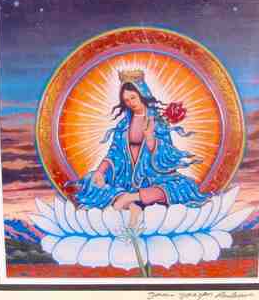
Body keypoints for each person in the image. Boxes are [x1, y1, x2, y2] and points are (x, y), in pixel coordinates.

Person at [67, 69, 210, 229]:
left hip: (151, 177)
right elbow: (114, 152)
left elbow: (166, 154)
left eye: (133, 97)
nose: (130, 103)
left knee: (184, 186)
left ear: (142, 94)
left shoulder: (157, 121)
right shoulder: (124, 124)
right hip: (124, 177)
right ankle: (132, 205)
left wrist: (150, 138)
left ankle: (130, 198)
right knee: (91, 179)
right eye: (126, 100)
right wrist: (100, 172)